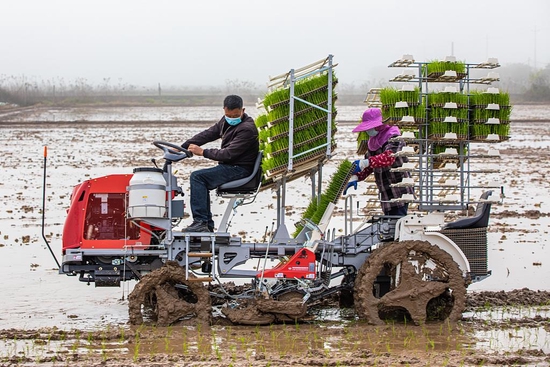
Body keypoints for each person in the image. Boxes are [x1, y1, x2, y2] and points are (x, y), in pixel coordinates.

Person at [181, 95, 259, 232]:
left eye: (236, 115)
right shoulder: (225, 121)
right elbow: (209, 134)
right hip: (231, 166)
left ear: (243, 110)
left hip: (240, 169)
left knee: (198, 177)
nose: (232, 118)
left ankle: (201, 222)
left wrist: (203, 152)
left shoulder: (247, 129)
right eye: (229, 115)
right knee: (201, 178)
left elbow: (228, 154)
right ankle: (205, 224)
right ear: (224, 110)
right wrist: (182, 146)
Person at [344, 107, 414, 216]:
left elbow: (388, 157)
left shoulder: (394, 137)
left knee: (397, 224)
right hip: (386, 193)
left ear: (379, 125)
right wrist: (356, 177)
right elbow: (370, 165)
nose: (368, 130)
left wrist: (364, 163)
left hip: (399, 192)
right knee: (390, 225)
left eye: (370, 127)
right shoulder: (374, 141)